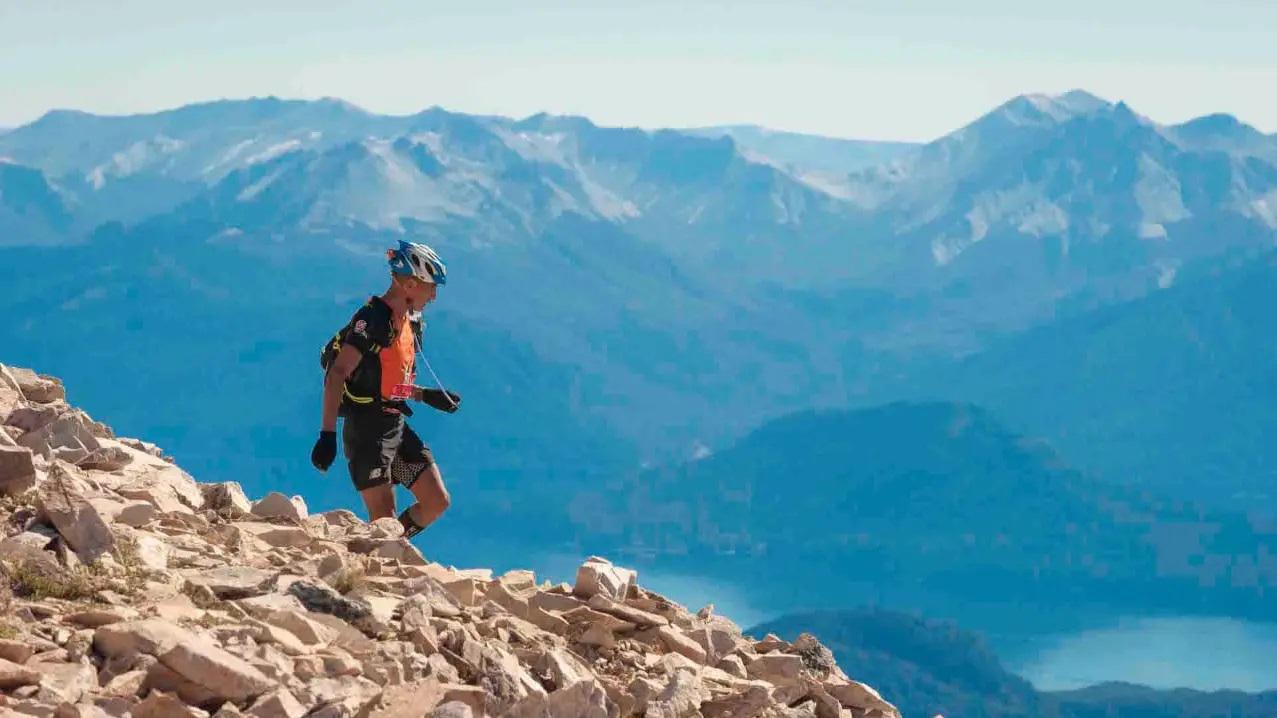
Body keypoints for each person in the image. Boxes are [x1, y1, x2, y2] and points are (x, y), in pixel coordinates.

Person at [310, 240, 461, 539]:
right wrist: (326, 435)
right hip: (367, 431)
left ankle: (386, 553)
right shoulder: (373, 319)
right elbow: (338, 372)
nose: (433, 295)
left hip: (395, 425)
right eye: (431, 286)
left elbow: (387, 378)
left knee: (436, 502)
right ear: (408, 284)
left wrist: (425, 395)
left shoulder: (410, 322)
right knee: (384, 522)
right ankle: (369, 565)